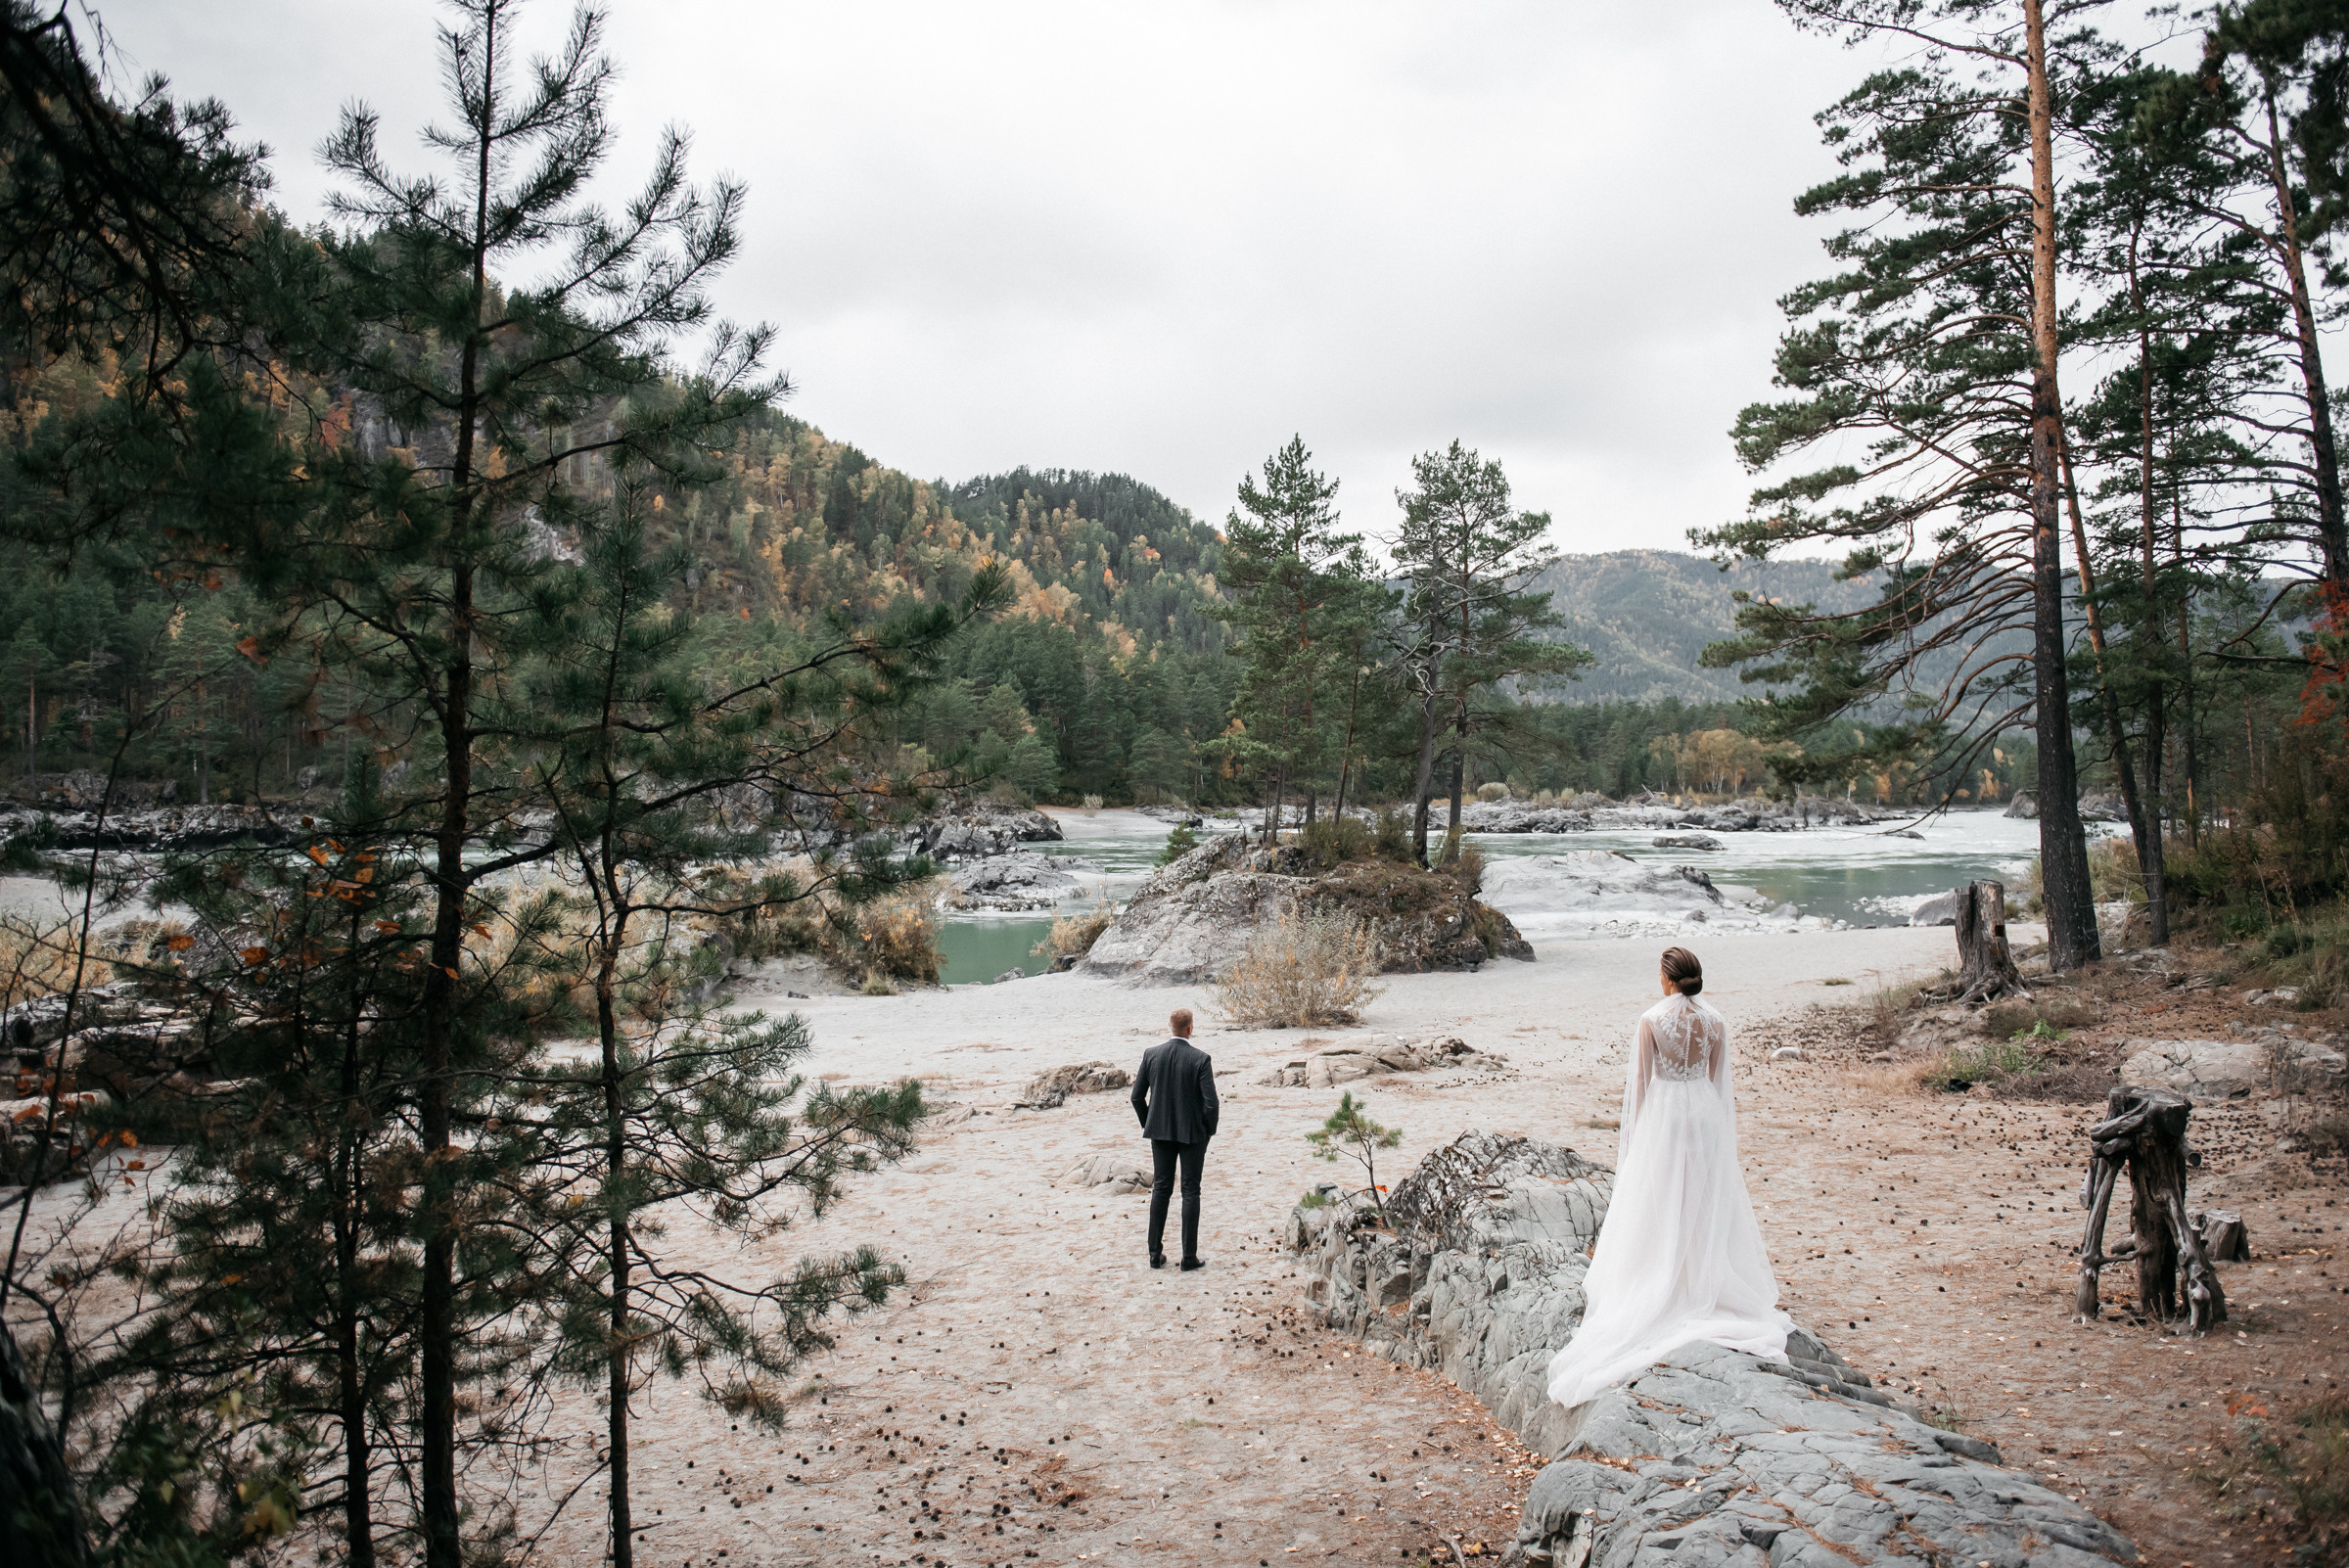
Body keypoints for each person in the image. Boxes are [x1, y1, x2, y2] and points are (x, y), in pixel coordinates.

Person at [1544, 946, 1790, 1409]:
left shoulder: (1650, 1020)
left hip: (1664, 1114)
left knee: (1660, 1198)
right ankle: (1698, 1275)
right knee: (1699, 1195)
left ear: (1667, 978)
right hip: (1702, 1112)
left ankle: (1664, 1276)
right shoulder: (1715, 1021)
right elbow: (1719, 1082)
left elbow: (1638, 1086)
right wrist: (1714, 1125)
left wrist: (1635, 1141)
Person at [1130, 1007, 1220, 1270]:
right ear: (1190, 1029)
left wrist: (1150, 1123)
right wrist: (1208, 1131)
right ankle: (1188, 1258)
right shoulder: (1200, 1059)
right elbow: (1211, 1104)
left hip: (1160, 1132)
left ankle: (1154, 1254)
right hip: (1192, 1135)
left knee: (1161, 1188)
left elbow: (1136, 1097)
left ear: (1170, 1027)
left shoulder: (1151, 1055)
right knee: (1190, 1190)